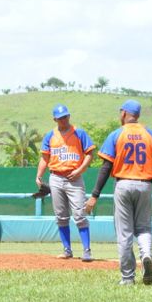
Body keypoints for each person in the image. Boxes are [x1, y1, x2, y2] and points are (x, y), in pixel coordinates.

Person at [85, 100, 152, 285]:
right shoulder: (151, 135)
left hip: (123, 184)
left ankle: (127, 278)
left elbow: (106, 167)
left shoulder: (117, 134)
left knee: (125, 233)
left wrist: (94, 195)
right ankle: (146, 255)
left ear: (124, 113)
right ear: (137, 115)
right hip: (145, 185)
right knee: (144, 228)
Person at [36, 104, 96, 261]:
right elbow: (45, 158)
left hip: (74, 178)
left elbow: (90, 153)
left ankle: (87, 250)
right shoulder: (50, 136)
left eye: (66, 116)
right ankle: (67, 250)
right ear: (55, 119)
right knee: (61, 216)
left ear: (69, 116)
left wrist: (80, 170)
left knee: (79, 214)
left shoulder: (79, 133)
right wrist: (39, 175)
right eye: (60, 117)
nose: (64, 119)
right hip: (55, 177)